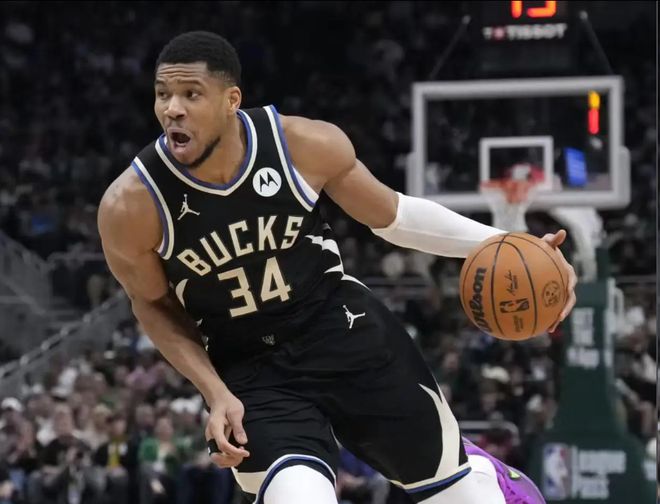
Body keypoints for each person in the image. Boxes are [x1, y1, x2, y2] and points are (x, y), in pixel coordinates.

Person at [98, 31, 576, 504]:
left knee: (459, 496)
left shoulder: (300, 144)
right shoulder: (131, 205)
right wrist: (214, 392)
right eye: (163, 94)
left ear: (231, 101)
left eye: (190, 94)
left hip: (342, 330)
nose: (172, 109)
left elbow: (393, 216)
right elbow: (153, 306)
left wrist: (512, 244)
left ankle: (483, 476)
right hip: (250, 369)